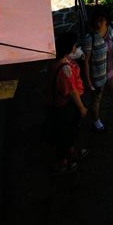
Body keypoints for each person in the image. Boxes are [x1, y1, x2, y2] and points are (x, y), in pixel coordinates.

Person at [46, 30, 89, 173]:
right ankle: (62, 162)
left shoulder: (57, 61)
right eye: (74, 45)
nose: (75, 48)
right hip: (64, 107)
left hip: (58, 105)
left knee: (65, 132)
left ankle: (69, 151)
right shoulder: (65, 69)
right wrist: (81, 107)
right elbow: (71, 92)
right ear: (68, 48)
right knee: (65, 133)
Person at [83, 6, 113, 131]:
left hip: (112, 68)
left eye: (101, 20)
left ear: (106, 20)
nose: (98, 23)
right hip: (97, 73)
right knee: (97, 97)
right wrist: (88, 81)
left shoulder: (111, 27)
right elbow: (85, 61)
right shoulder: (90, 37)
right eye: (97, 20)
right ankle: (96, 121)